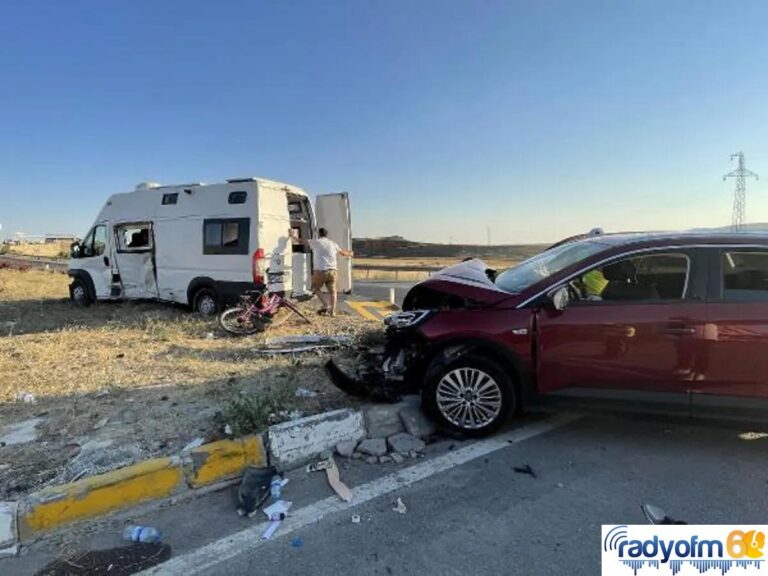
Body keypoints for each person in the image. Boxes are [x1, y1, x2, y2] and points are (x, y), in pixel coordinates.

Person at [295, 227, 353, 316]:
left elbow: (301, 241)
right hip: (333, 271)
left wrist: (292, 236)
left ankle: (326, 305)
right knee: (333, 292)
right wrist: (350, 253)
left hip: (320, 271)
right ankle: (333, 312)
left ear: (319, 234)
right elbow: (343, 253)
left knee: (315, 288)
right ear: (327, 234)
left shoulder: (316, 242)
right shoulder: (333, 244)